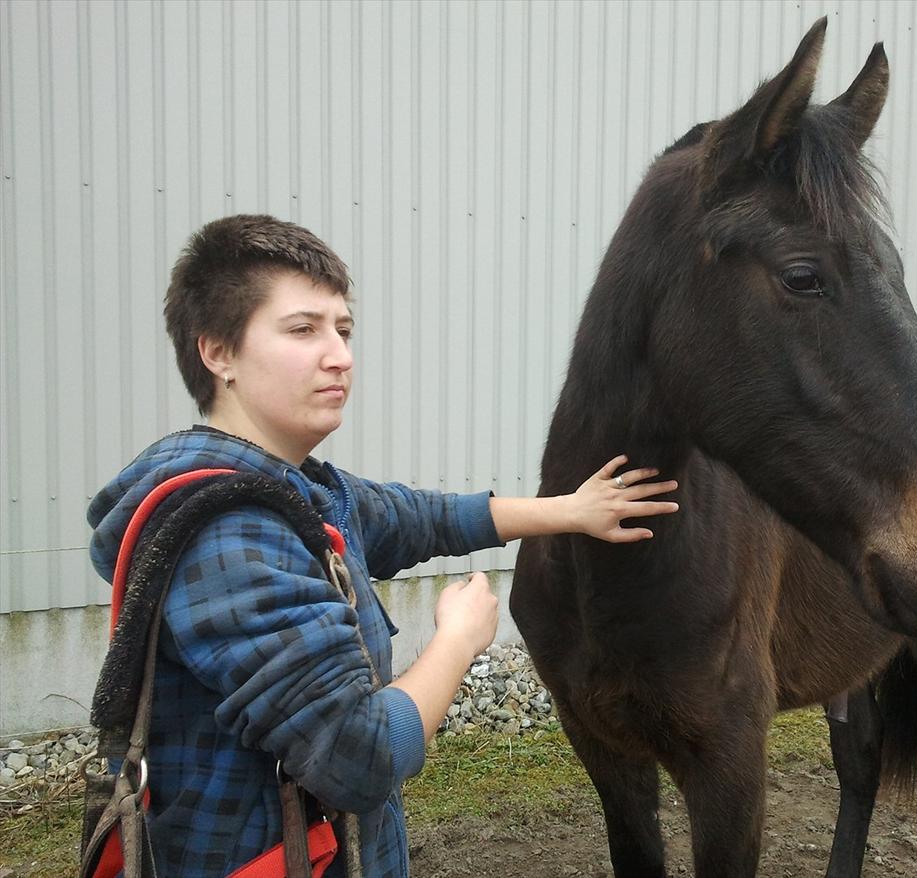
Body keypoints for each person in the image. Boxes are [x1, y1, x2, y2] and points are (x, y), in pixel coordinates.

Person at [86, 214, 679, 877]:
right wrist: (457, 640)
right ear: (218, 352)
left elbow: (423, 519)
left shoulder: (300, 490)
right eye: (302, 329)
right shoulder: (231, 532)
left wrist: (570, 510)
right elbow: (359, 758)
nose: (338, 354)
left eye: (343, 330)